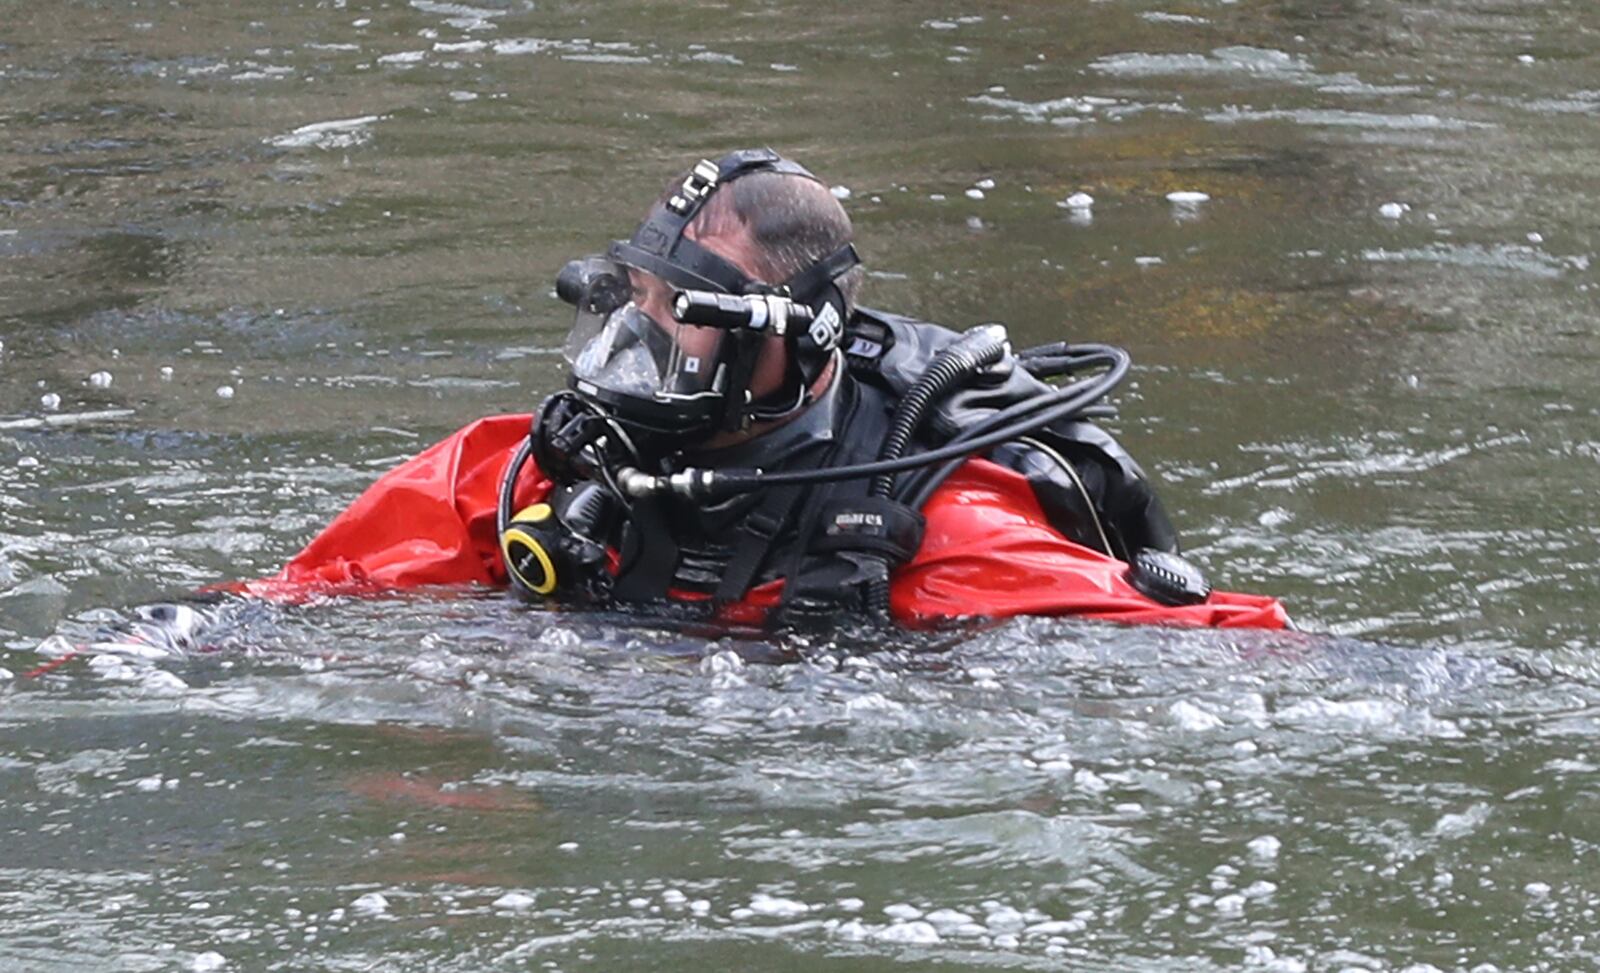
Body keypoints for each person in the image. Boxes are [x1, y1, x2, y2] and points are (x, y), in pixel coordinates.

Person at [247, 149, 1287, 630]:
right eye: (631, 302)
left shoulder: (939, 521)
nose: (636, 344)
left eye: (682, 316)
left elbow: (1213, 655)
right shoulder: (526, 469)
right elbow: (281, 606)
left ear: (795, 340)